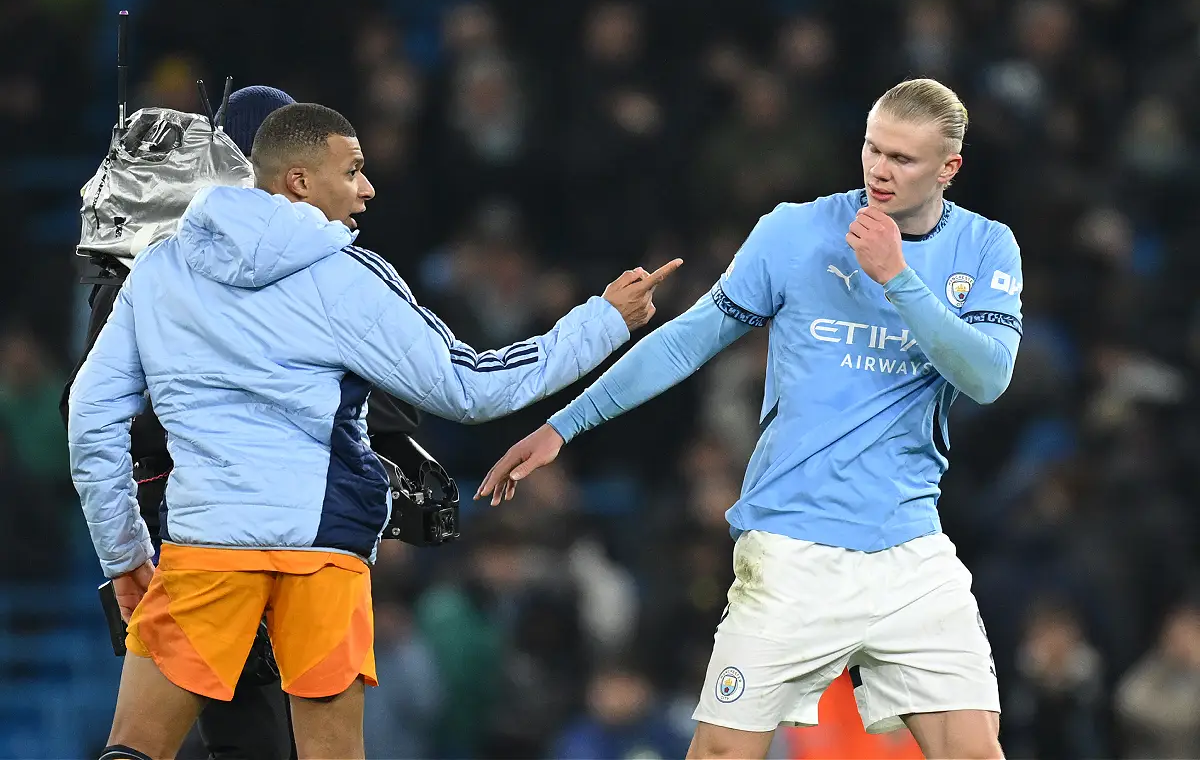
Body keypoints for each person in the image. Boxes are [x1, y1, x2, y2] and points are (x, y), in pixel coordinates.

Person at [68, 101, 681, 760]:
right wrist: (606, 320)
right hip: (321, 554)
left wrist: (125, 557)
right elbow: (472, 388)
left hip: (206, 549)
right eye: (353, 170)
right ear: (298, 181)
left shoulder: (160, 271)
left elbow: (91, 423)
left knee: (133, 750)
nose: (369, 188)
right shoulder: (345, 278)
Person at [476, 78, 1023, 760]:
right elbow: (688, 339)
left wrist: (897, 278)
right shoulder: (794, 232)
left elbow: (988, 376)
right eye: (872, 149)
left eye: (904, 160)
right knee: (719, 755)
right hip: (792, 549)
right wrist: (565, 424)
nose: (880, 170)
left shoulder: (985, 248)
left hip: (910, 550)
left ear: (949, 168)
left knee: (975, 752)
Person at [62, 84, 304, 760]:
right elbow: (91, 412)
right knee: (225, 733)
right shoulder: (162, 264)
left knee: (219, 732)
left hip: (220, 529)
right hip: (196, 531)